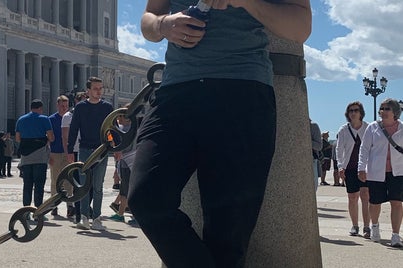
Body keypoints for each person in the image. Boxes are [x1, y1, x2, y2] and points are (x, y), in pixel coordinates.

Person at [132, 0, 311, 267]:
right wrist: (163, 24)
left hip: (243, 93)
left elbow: (301, 27)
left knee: (229, 236)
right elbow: (149, 17)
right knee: (145, 199)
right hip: (177, 92)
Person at [67, 77, 114, 231]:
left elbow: (111, 129)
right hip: (84, 149)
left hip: (102, 150)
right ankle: (84, 217)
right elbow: (74, 129)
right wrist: (69, 151)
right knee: (84, 185)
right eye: (95, 88)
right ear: (88, 91)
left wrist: (116, 147)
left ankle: (97, 218)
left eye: (100, 88)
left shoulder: (107, 107)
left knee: (98, 186)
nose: (98, 91)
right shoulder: (80, 107)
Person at [358, 98, 403, 247]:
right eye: (381, 108)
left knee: (396, 203)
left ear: (395, 112)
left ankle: (396, 235)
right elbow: (364, 149)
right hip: (377, 172)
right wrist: (361, 168)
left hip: (398, 172)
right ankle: (375, 226)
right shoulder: (373, 127)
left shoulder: (402, 128)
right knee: (375, 202)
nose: (383, 111)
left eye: (387, 109)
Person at [336, 101, 370, 237]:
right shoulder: (344, 130)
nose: (353, 113)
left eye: (356, 110)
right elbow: (339, 149)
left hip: (364, 168)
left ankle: (367, 226)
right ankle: (355, 225)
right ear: (347, 114)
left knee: (365, 195)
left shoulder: (368, 128)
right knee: (352, 197)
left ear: (361, 112)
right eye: (351, 111)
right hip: (349, 167)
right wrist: (340, 166)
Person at [16, 99, 54, 215]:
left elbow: (17, 138)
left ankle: (25, 211)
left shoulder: (21, 120)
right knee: (39, 184)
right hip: (40, 156)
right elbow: (51, 137)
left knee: (27, 184)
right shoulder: (44, 119)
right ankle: (38, 210)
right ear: (40, 108)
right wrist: (46, 140)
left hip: (26, 157)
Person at [62, 92, 86, 219]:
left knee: (88, 183)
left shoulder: (89, 114)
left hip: (87, 150)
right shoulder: (68, 116)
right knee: (77, 183)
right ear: (76, 101)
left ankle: (86, 209)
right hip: (74, 152)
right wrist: (68, 154)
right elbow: (65, 136)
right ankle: (78, 212)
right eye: (81, 100)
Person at [48, 95, 69, 216]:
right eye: (62, 106)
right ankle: (54, 205)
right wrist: (48, 154)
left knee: (68, 180)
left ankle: (69, 205)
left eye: (66, 106)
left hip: (68, 153)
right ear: (57, 105)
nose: (64, 108)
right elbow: (48, 138)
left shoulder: (71, 118)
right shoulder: (51, 119)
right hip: (55, 153)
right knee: (55, 179)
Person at [311, 120, 323, 189]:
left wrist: (305, 139)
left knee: (313, 186)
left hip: (312, 160)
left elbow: (319, 146)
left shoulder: (313, 126)